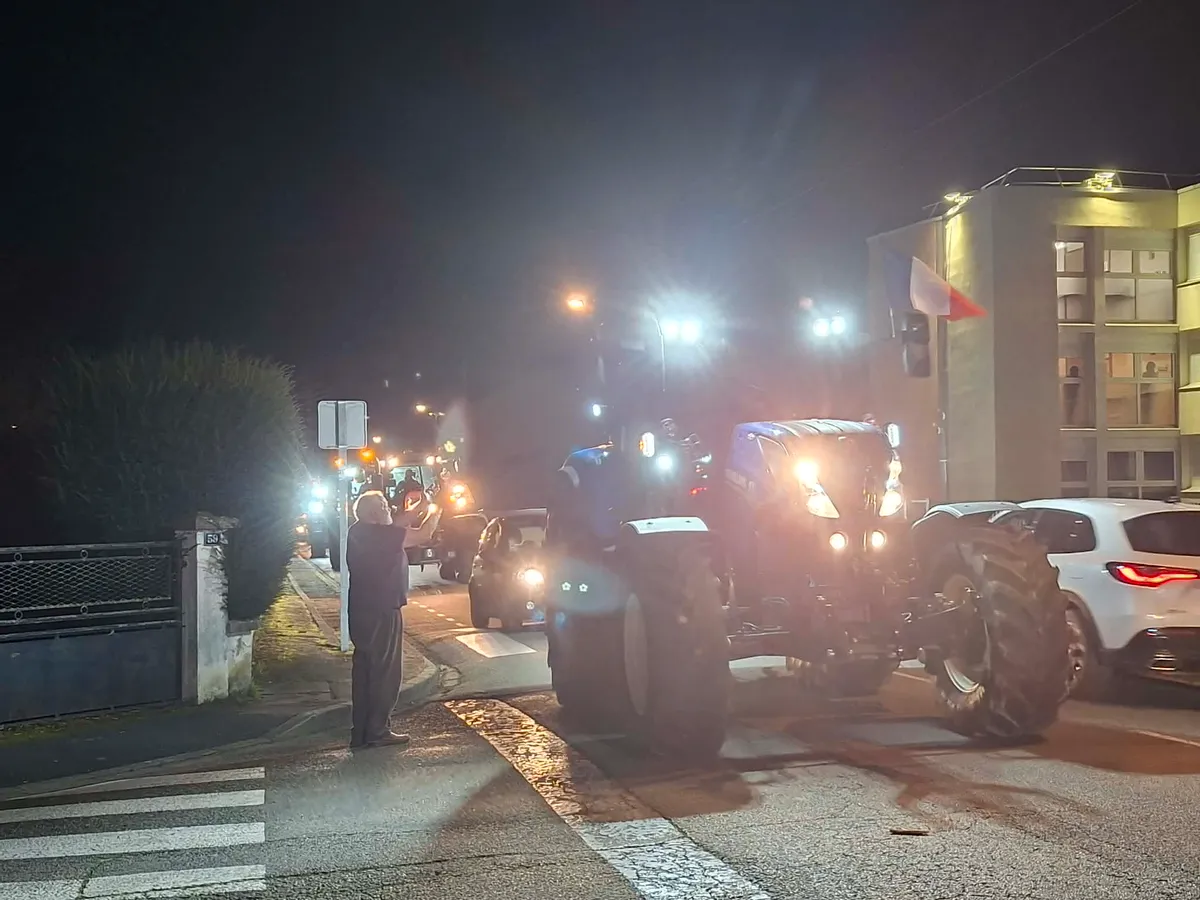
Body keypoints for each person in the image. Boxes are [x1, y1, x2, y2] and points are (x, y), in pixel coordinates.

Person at [345, 489, 440, 749]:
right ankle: (378, 731)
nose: (389, 508)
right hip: (383, 611)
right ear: (374, 513)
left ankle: (361, 731)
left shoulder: (360, 531)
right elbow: (423, 534)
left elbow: (397, 523)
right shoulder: (380, 535)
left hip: (363, 611)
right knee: (385, 672)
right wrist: (437, 511)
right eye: (384, 505)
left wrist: (421, 505)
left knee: (365, 672)